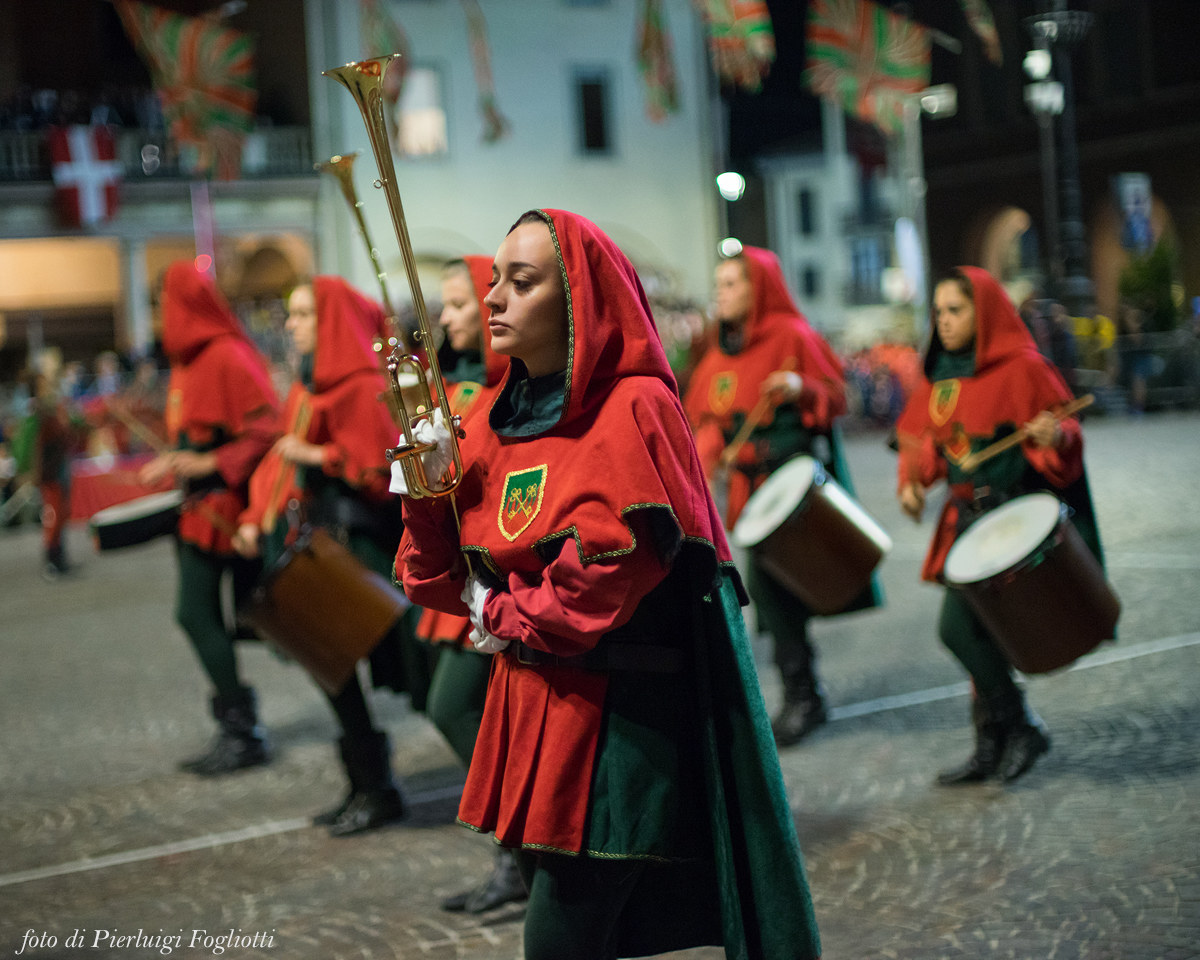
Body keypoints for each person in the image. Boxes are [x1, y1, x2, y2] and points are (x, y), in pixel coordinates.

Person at [397, 210, 819, 960]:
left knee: (559, 939)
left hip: (612, 722)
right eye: (493, 281)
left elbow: (599, 585)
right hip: (529, 711)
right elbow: (435, 580)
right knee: (578, 935)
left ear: (577, 301)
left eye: (520, 282)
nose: (493, 298)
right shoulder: (493, 417)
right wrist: (426, 494)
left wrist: (499, 608)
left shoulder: (635, 408)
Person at [233, 276, 433, 836]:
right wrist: (255, 518)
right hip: (324, 539)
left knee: (361, 666)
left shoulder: (355, 385)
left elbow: (379, 470)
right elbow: (280, 464)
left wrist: (318, 454)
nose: (290, 325)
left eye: (303, 315)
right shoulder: (309, 383)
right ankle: (368, 784)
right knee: (331, 667)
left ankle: (378, 787)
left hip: (361, 546)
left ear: (330, 321)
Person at [895, 266, 1104, 785]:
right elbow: (922, 441)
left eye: (955, 310)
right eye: (938, 311)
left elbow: (1067, 432)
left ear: (983, 312)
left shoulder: (1024, 368)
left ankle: (1017, 725)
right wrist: (912, 481)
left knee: (959, 628)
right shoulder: (939, 374)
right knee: (970, 631)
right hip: (966, 521)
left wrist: (1053, 436)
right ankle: (994, 740)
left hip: (1014, 520)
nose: (943, 321)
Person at [683, 245, 879, 747]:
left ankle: (804, 697)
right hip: (751, 495)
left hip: (793, 488)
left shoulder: (793, 337)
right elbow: (706, 422)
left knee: (774, 591)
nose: (719, 293)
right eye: (718, 284)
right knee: (774, 593)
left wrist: (801, 386)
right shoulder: (716, 355)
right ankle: (802, 693)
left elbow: (840, 397)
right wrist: (703, 468)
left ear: (758, 289)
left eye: (731, 284)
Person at [404, 257, 527, 910]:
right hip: (462, 577)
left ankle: (525, 855)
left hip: (497, 582)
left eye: (456, 304)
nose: (445, 318)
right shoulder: (454, 386)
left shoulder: (507, 389)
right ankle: (519, 855)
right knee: (461, 712)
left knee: (457, 709)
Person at [139, 261, 280, 776]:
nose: (158, 316)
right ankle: (238, 723)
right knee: (201, 614)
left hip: (224, 509)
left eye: (161, 305)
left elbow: (268, 429)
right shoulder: (187, 363)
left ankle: (243, 728)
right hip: (197, 505)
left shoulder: (227, 356)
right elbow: (191, 434)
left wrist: (209, 462)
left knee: (197, 613)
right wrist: (174, 460)